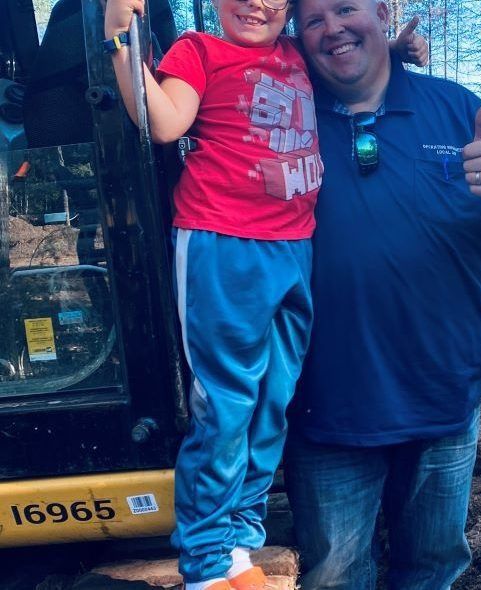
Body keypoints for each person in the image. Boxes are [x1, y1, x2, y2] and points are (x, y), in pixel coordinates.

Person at [101, 1, 426, 588]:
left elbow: (348, 57)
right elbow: (166, 122)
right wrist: (120, 39)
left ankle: (239, 546)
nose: (257, 3)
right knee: (225, 406)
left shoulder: (297, 54)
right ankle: (204, 563)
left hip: (295, 245)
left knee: (274, 400)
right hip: (223, 243)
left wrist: (398, 51)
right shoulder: (199, 52)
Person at [283, 0, 481, 587]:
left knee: (431, 568)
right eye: (312, 21)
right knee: (333, 575)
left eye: (345, 9)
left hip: (444, 393)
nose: (332, 30)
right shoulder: (282, 119)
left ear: (382, 11)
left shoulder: (455, 108)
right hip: (327, 402)